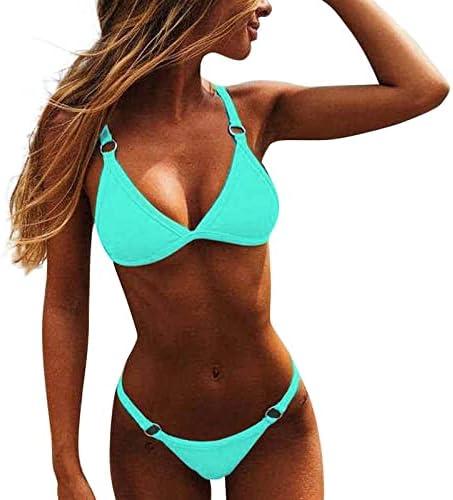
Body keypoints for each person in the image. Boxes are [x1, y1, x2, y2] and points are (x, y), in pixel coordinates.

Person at [8, 1, 448, 499]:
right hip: (152, 436)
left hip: (274, 424)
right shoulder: (77, 128)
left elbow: (422, 88)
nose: (266, 4)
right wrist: (66, 466)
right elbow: (66, 303)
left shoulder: (256, 111)